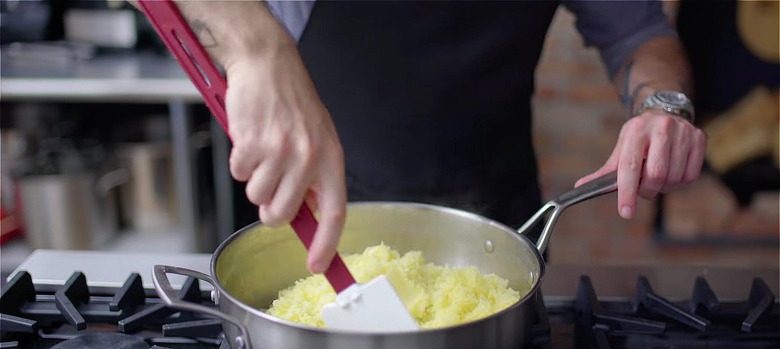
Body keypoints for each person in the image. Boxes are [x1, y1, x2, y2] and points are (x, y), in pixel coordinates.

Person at [138, 1, 706, 274]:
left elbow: (641, 35)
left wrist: (663, 105)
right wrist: (258, 45)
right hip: (311, 238)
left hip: (498, 226)